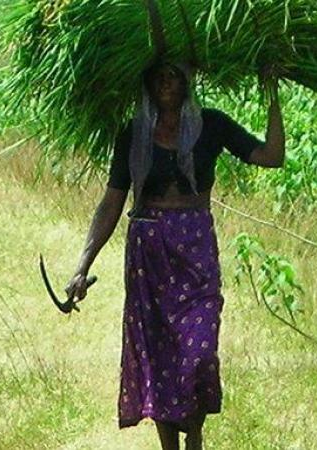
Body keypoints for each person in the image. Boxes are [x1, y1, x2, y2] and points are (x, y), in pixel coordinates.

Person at [65, 60, 285, 450]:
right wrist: (82, 266)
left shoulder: (211, 125)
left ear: (188, 82)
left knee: (199, 351)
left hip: (195, 248)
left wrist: (272, 96)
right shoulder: (134, 133)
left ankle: (194, 429)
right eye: (159, 77)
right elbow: (113, 202)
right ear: (147, 84)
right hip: (148, 250)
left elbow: (270, 156)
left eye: (174, 76)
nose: (167, 83)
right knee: (157, 352)